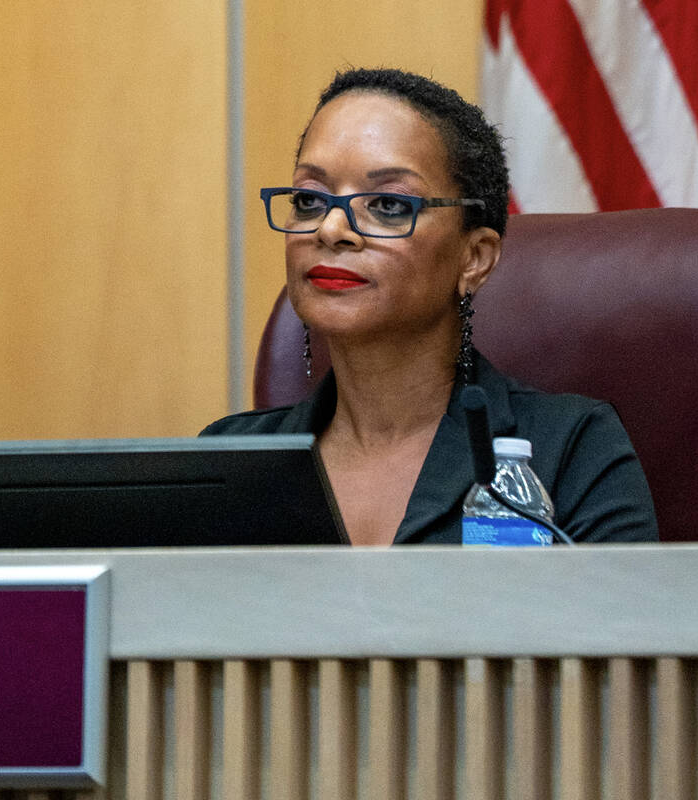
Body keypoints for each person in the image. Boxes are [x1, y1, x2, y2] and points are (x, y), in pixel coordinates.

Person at [201, 68, 658, 545]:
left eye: (389, 205)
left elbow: (614, 621)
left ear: (474, 258)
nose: (330, 229)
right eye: (308, 199)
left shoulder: (572, 451)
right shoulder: (228, 460)